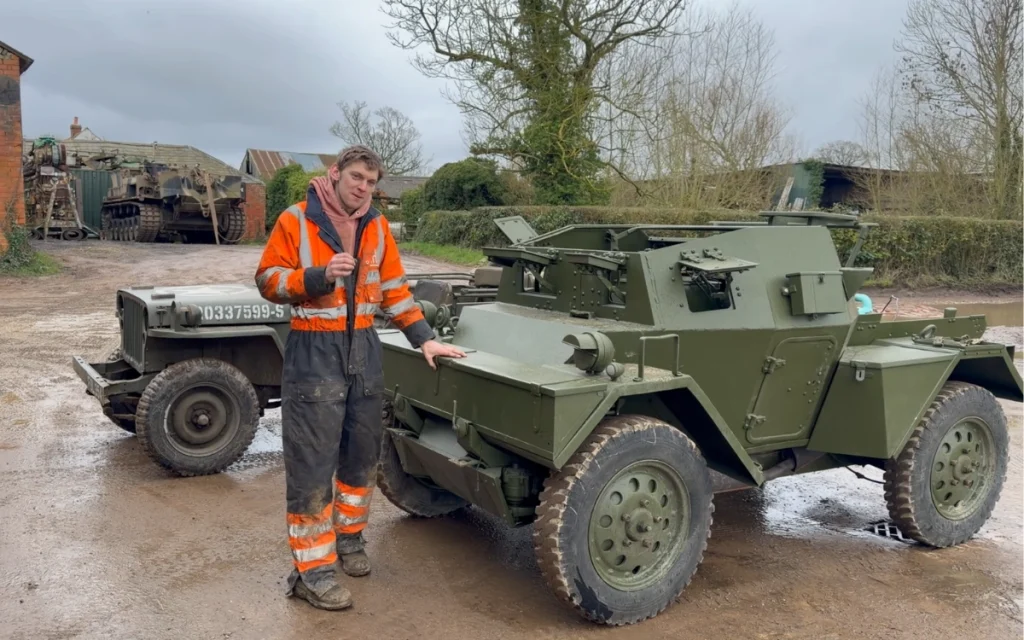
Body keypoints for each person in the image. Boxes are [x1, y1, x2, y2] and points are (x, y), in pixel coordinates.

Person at [254, 145, 465, 611]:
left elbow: (394, 290)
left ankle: (349, 540)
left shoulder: (377, 226)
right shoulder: (297, 219)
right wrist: (317, 276)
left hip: (364, 348)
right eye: (356, 178)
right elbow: (268, 279)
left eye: (370, 182)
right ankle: (312, 571)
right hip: (314, 348)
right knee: (311, 464)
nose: (362, 188)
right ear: (335, 174)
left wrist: (424, 338)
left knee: (360, 454)